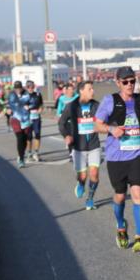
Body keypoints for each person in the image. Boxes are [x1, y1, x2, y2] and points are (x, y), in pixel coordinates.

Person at [94, 67, 140, 252]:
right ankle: (121, 225)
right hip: (116, 157)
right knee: (120, 196)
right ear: (118, 82)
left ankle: (139, 238)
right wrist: (112, 130)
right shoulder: (109, 101)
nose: (130, 85)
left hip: (137, 154)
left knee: (137, 193)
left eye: (132, 81)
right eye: (126, 82)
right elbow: (97, 125)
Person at [59, 80, 102, 210]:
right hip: (79, 147)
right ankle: (81, 183)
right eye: (90, 89)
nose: (93, 91)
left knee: (94, 174)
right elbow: (62, 123)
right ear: (81, 90)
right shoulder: (72, 106)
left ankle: (90, 199)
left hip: (94, 145)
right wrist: (66, 135)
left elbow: (108, 118)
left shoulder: (96, 105)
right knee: (83, 176)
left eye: (92, 89)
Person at [6, 80, 33, 168]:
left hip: (25, 119)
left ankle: (21, 154)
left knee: (25, 140)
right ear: (14, 88)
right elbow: (8, 105)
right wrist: (8, 110)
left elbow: (33, 103)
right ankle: (21, 159)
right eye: (16, 88)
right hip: (15, 119)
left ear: (22, 87)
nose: (18, 90)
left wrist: (29, 106)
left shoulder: (26, 94)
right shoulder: (11, 95)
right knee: (20, 137)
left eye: (19, 88)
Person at [25, 80, 44, 162]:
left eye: (32, 87)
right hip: (27, 118)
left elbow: (41, 105)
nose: (31, 88)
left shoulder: (38, 95)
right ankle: (29, 153)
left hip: (36, 118)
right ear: (26, 87)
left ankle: (36, 153)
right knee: (28, 137)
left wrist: (40, 109)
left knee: (37, 135)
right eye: (29, 87)